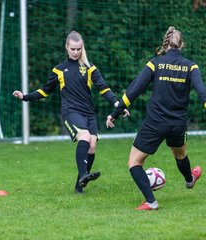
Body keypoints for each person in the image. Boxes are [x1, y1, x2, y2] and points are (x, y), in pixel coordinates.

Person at [106, 26, 206, 210]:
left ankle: (151, 202)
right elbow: (203, 93)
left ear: (165, 43)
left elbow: (133, 91)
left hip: (155, 123)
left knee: (134, 162)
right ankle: (189, 180)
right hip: (177, 124)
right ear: (181, 44)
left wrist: (115, 113)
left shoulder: (155, 63)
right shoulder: (191, 66)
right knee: (180, 154)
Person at [13, 31, 124, 194]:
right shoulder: (59, 70)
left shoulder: (89, 68)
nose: (75, 52)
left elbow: (104, 88)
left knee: (92, 147)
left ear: (82, 48)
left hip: (89, 113)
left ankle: (80, 185)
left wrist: (118, 104)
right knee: (84, 137)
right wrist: (25, 97)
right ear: (67, 47)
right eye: (72, 49)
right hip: (71, 112)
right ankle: (84, 174)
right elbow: (44, 91)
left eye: (78, 49)